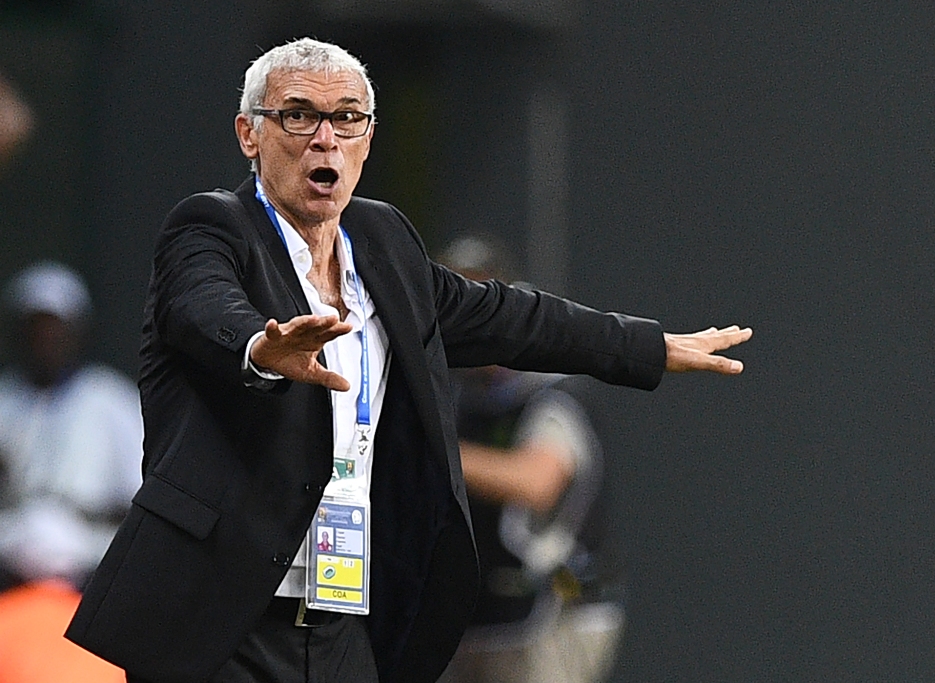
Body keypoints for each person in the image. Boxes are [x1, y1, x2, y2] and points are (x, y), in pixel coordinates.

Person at [65, 37, 751, 683]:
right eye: (297, 115)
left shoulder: (382, 241)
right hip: (223, 612)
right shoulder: (212, 226)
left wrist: (647, 345)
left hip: (344, 614)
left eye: (346, 118)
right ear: (250, 134)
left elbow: (508, 315)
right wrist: (259, 346)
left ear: (367, 137)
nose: (323, 138)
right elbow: (200, 304)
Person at [438, 236, 626, 683]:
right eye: (456, 298)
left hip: (551, 614)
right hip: (482, 617)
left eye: (482, 297)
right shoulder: (460, 392)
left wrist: (430, 454)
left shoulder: (552, 392)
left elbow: (537, 482)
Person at [0, 261, 143, 592]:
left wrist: (84, 510)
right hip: (10, 567)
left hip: (88, 568)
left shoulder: (111, 400)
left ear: (76, 332)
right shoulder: (6, 397)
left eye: (55, 328)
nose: (45, 338)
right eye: (35, 328)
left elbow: (140, 500)